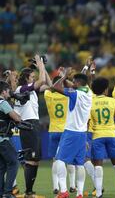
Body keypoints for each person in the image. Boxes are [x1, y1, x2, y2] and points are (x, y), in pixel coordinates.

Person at [51, 69, 92, 198]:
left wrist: (63, 78)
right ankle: (79, 193)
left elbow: (55, 87)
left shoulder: (76, 94)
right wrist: (67, 77)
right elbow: (73, 85)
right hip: (82, 133)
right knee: (79, 163)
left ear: (77, 83)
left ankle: (63, 191)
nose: (71, 83)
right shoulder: (88, 92)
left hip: (71, 132)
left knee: (59, 160)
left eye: (73, 82)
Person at [14, 55, 49, 197]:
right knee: (31, 159)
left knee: (35, 160)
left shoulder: (31, 91)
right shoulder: (22, 89)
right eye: (32, 76)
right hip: (28, 124)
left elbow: (47, 84)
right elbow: (41, 81)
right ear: (26, 78)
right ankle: (28, 193)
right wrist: (39, 63)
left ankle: (30, 191)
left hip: (33, 124)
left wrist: (43, 67)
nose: (34, 78)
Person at [89, 77, 115, 198]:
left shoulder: (91, 102)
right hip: (111, 134)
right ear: (106, 90)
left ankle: (99, 193)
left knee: (98, 164)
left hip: (97, 135)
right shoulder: (112, 101)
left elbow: (88, 120)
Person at [44, 76, 70, 195]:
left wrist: (42, 67)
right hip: (66, 130)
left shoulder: (49, 95)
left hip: (53, 130)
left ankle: (56, 186)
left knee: (55, 160)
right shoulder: (67, 96)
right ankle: (72, 185)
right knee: (67, 160)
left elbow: (49, 86)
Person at [0, 81, 21, 198]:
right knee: (13, 162)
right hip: (3, 139)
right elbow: (16, 117)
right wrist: (20, 119)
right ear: (3, 92)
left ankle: (1, 192)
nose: (9, 93)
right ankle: (8, 192)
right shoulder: (3, 103)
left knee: (1, 166)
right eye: (8, 90)